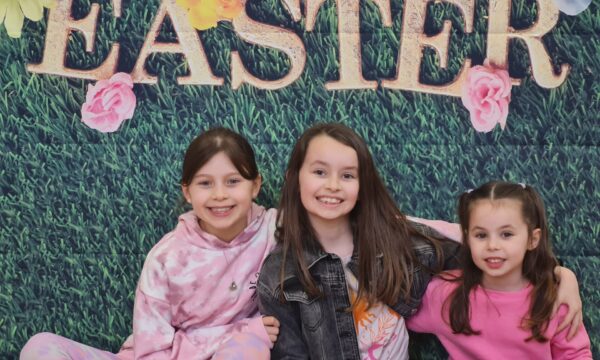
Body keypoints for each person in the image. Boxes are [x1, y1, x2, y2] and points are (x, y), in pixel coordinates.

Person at [256, 123, 585, 360]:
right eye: (319, 172)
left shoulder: (395, 238)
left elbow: (477, 245)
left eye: (347, 175)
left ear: (362, 184)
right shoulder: (279, 275)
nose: (333, 186)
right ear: (294, 177)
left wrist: (558, 274)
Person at [20, 128, 280, 360]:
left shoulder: (275, 231)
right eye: (205, 183)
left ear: (255, 185)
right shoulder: (167, 257)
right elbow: (151, 349)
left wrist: (247, 334)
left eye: (233, 181)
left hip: (233, 352)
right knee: (40, 346)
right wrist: (241, 329)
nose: (220, 194)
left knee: (248, 348)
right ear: (188, 192)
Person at [406, 181, 592, 359]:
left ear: (532, 239)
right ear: (467, 239)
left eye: (506, 234)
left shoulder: (554, 298)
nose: (492, 245)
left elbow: (574, 355)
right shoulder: (442, 293)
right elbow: (395, 317)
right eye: (481, 235)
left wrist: (566, 275)